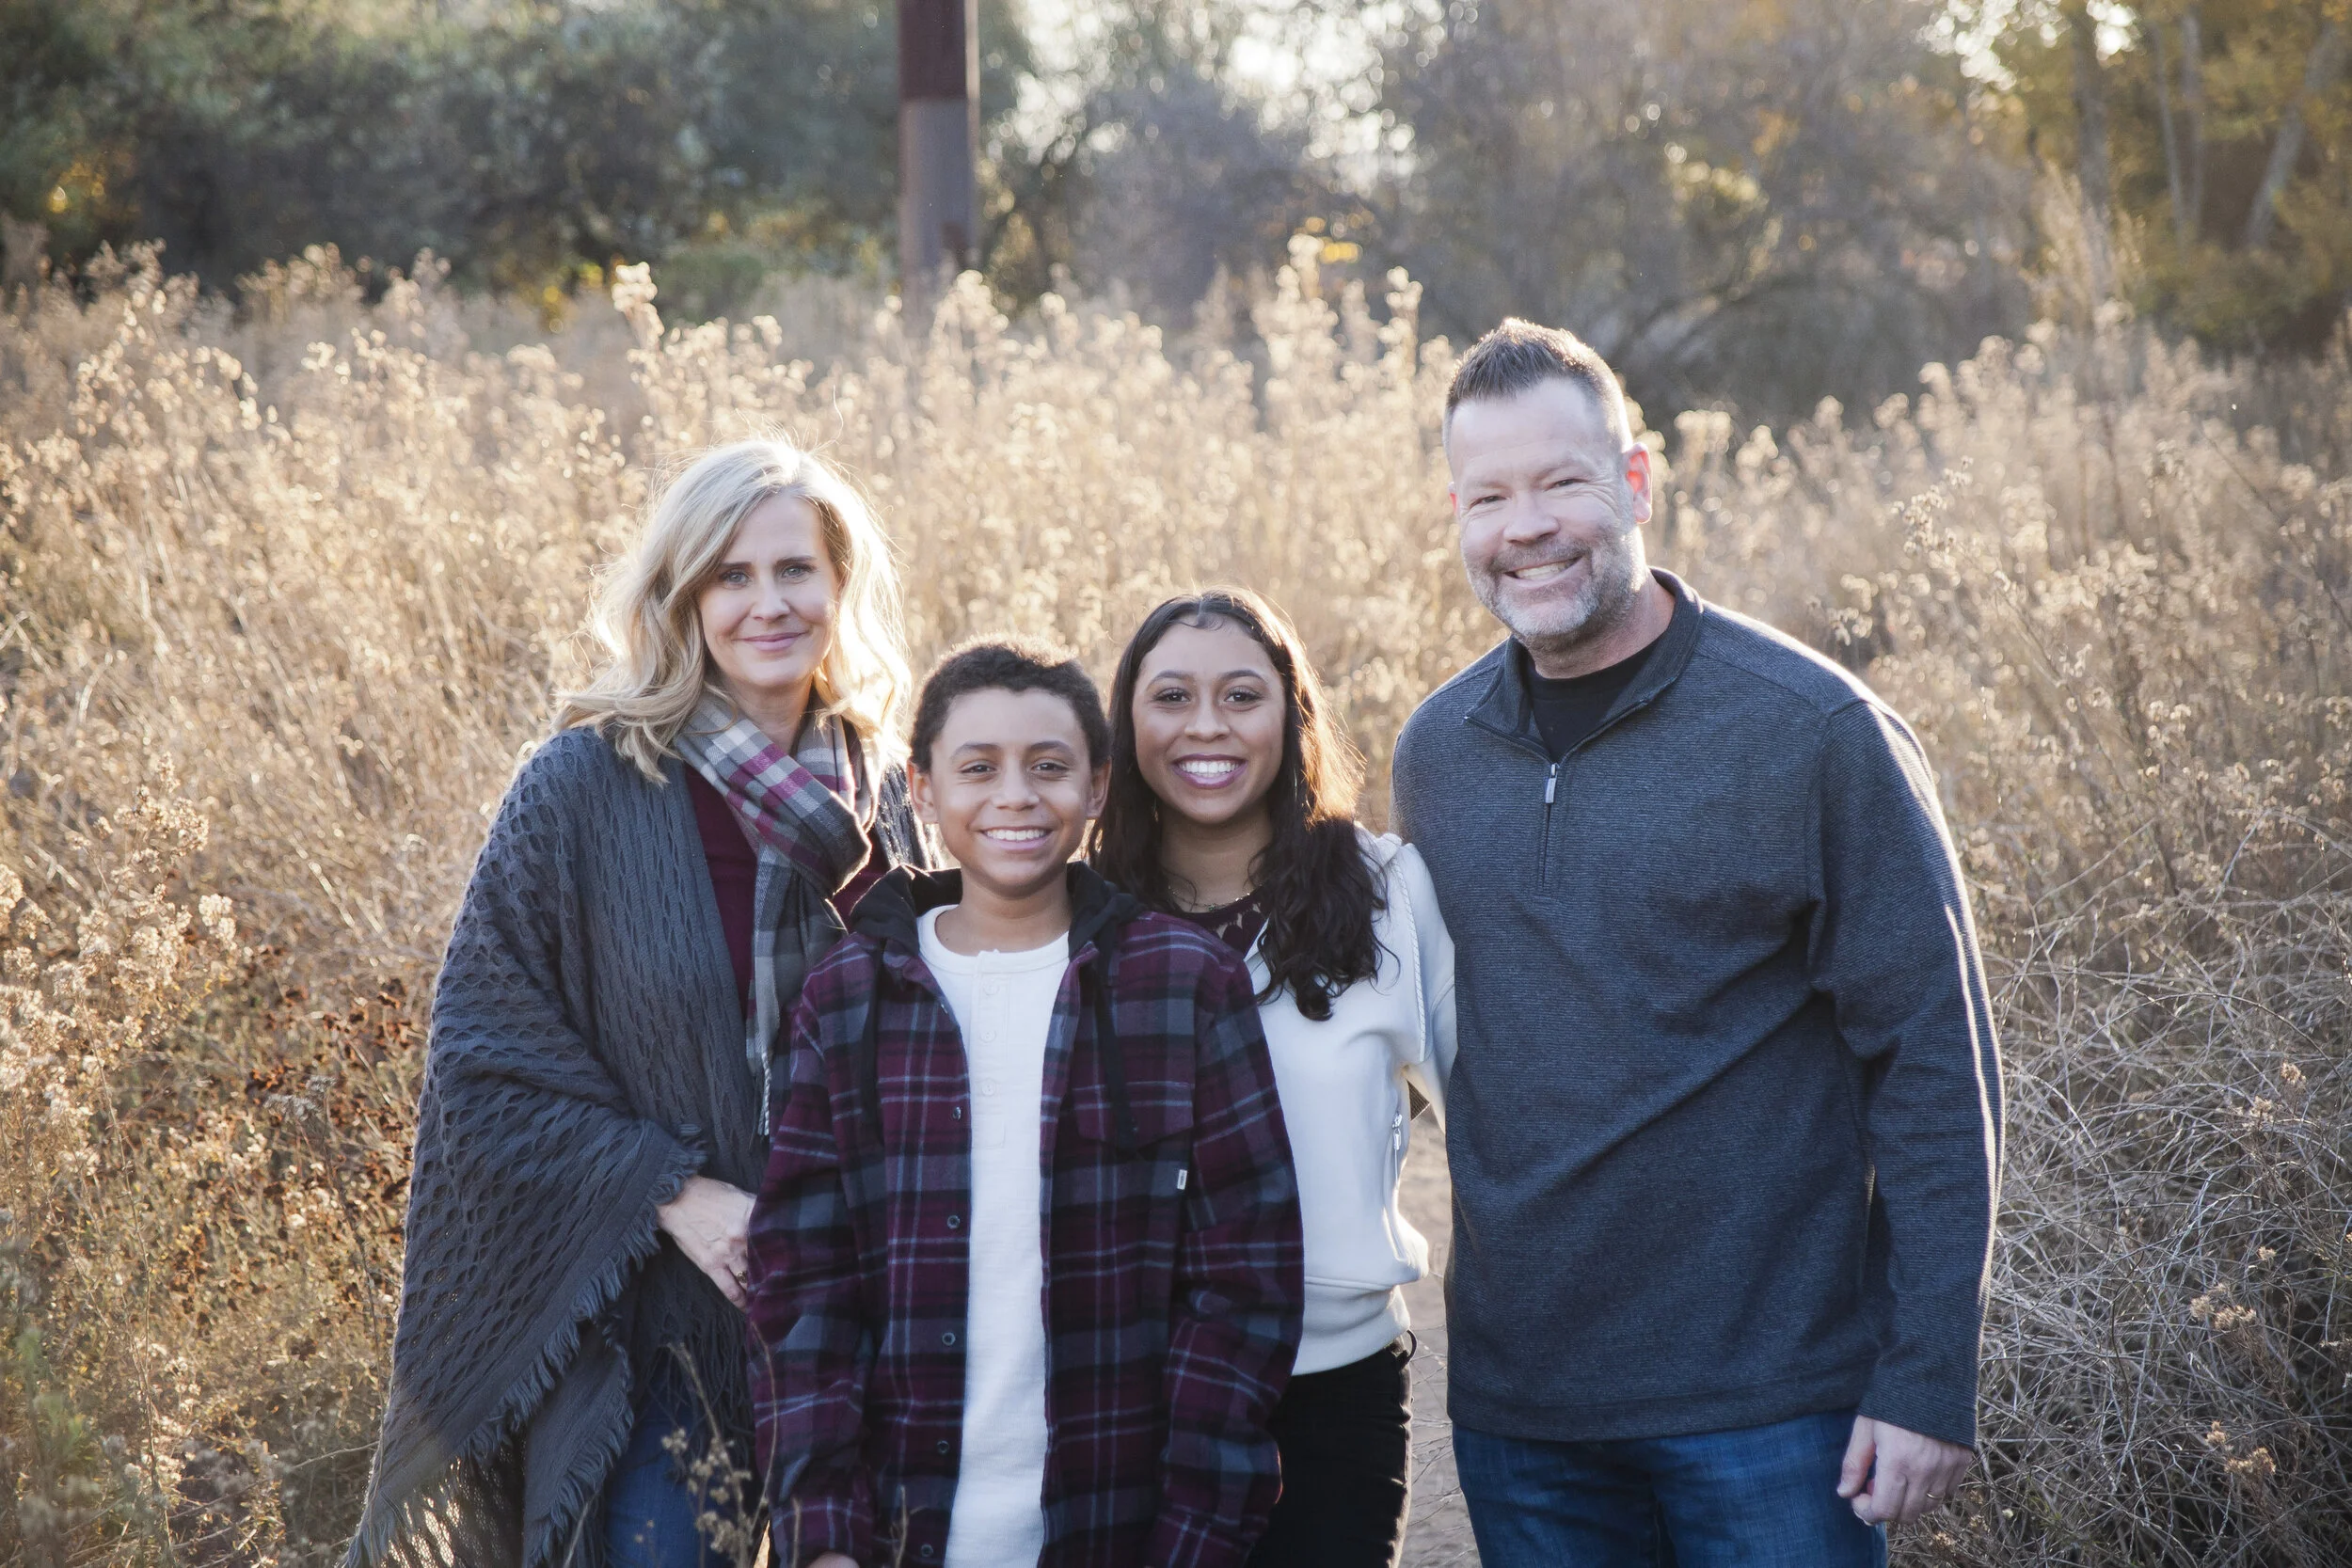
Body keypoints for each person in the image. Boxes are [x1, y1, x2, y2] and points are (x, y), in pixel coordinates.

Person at [1391, 319, 2004, 1568]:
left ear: (1636, 478)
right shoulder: (1436, 751)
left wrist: (1926, 1370)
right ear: (1457, 511)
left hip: (1772, 1410)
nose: (1527, 527)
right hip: (1526, 1417)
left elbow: (1936, 1062)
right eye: (1490, 496)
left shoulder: (1813, 730)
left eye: (1561, 482)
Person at [347, 438, 925, 1568]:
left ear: (839, 583)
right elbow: (483, 1058)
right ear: (681, 596)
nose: (768, 602)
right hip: (662, 1332)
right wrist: (676, 1192)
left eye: (794, 569)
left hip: (866, 1314)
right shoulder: (582, 785)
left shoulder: (890, 789)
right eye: (730, 575)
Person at [744, 638, 1305, 1568]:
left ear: (1098, 787)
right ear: (922, 790)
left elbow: (1244, 1287)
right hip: (899, 1529)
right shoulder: (849, 995)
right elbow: (805, 1285)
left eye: (1049, 766)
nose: (1015, 795)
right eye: (978, 767)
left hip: (1119, 1526)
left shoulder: (1185, 984)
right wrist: (824, 1537)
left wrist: (1196, 1536)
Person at [1090, 589, 1454, 1568]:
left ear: (1291, 718)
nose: (1206, 725)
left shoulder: (1385, 890)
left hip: (1334, 1391)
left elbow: (1489, 1123)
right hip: (1125, 1390)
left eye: (1242, 695)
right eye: (1171, 696)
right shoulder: (1080, 910)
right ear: (1126, 724)